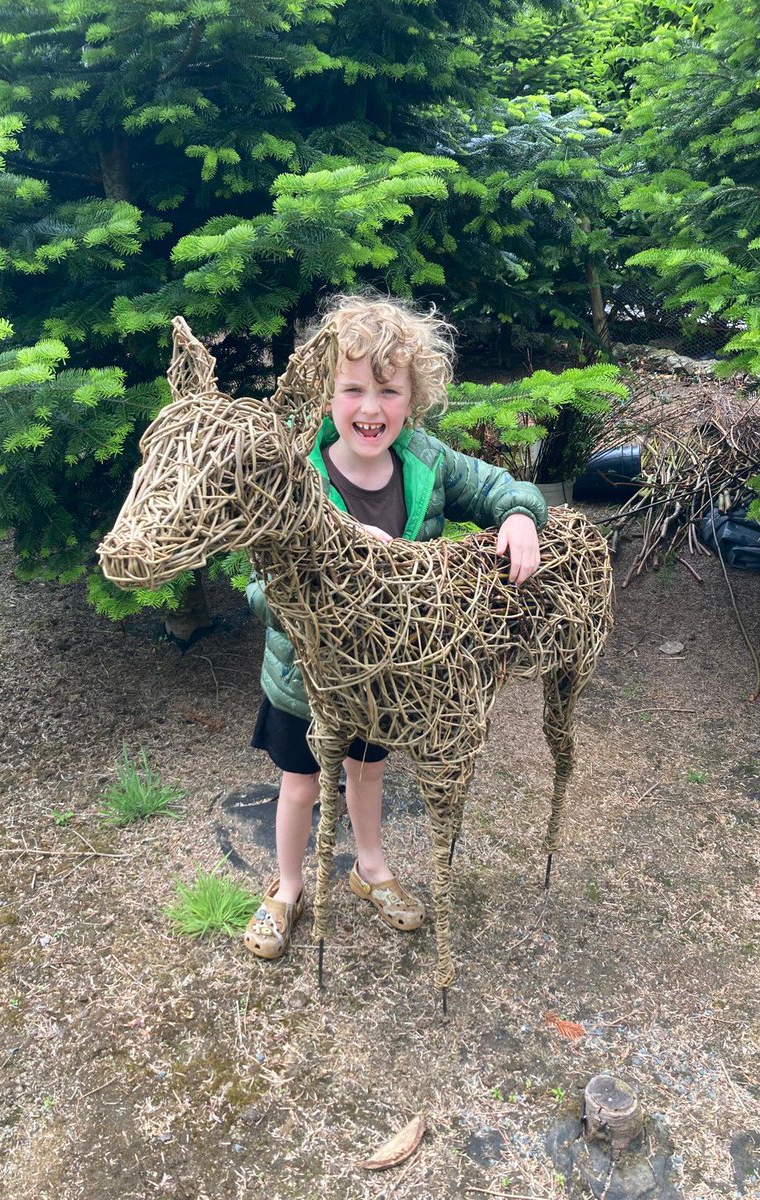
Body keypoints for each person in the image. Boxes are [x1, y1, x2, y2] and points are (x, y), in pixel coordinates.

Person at [244, 294, 547, 960]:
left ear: (413, 399)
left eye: (388, 390)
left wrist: (521, 515)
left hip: (387, 679)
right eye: (352, 389)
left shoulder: (428, 465)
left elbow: (499, 486)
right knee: (300, 782)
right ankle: (288, 885)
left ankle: (371, 868)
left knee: (368, 771)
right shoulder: (297, 473)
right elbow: (258, 577)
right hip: (306, 678)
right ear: (327, 396)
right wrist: (311, 598)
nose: (370, 409)